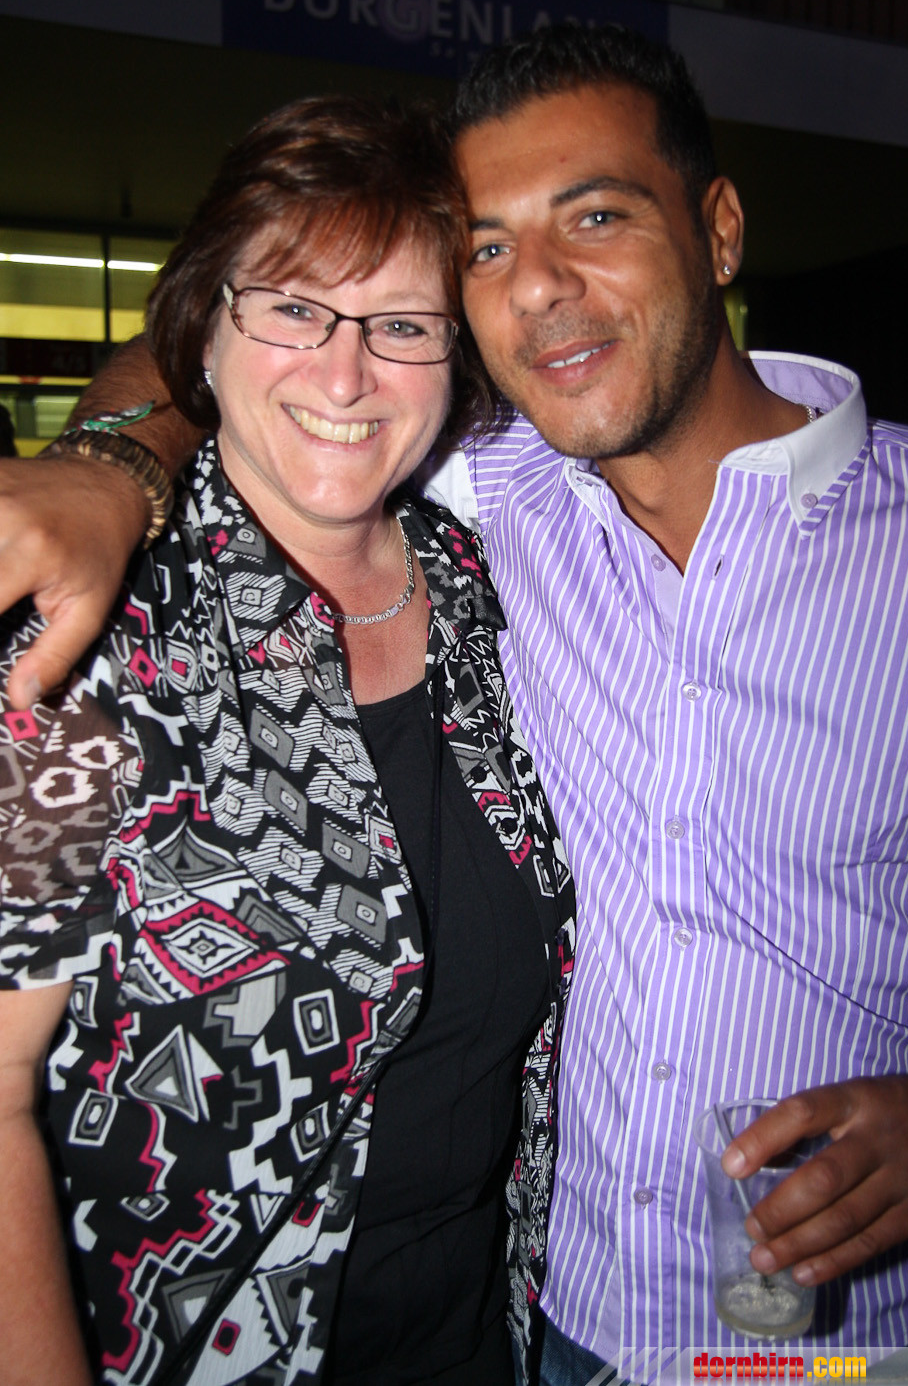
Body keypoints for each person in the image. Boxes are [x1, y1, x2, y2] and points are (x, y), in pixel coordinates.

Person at [1, 27, 908, 1380]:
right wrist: (110, 469)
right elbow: (235, 357)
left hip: (857, 1343)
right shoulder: (463, 509)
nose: (538, 288)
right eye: (486, 248)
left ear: (717, 230)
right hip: (557, 1329)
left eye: (596, 216)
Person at [0, 94, 574, 1386]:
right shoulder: (90, 636)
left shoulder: (482, 591)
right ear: (202, 329)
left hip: (481, 1340)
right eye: (293, 308)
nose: (346, 372)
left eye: (402, 325)